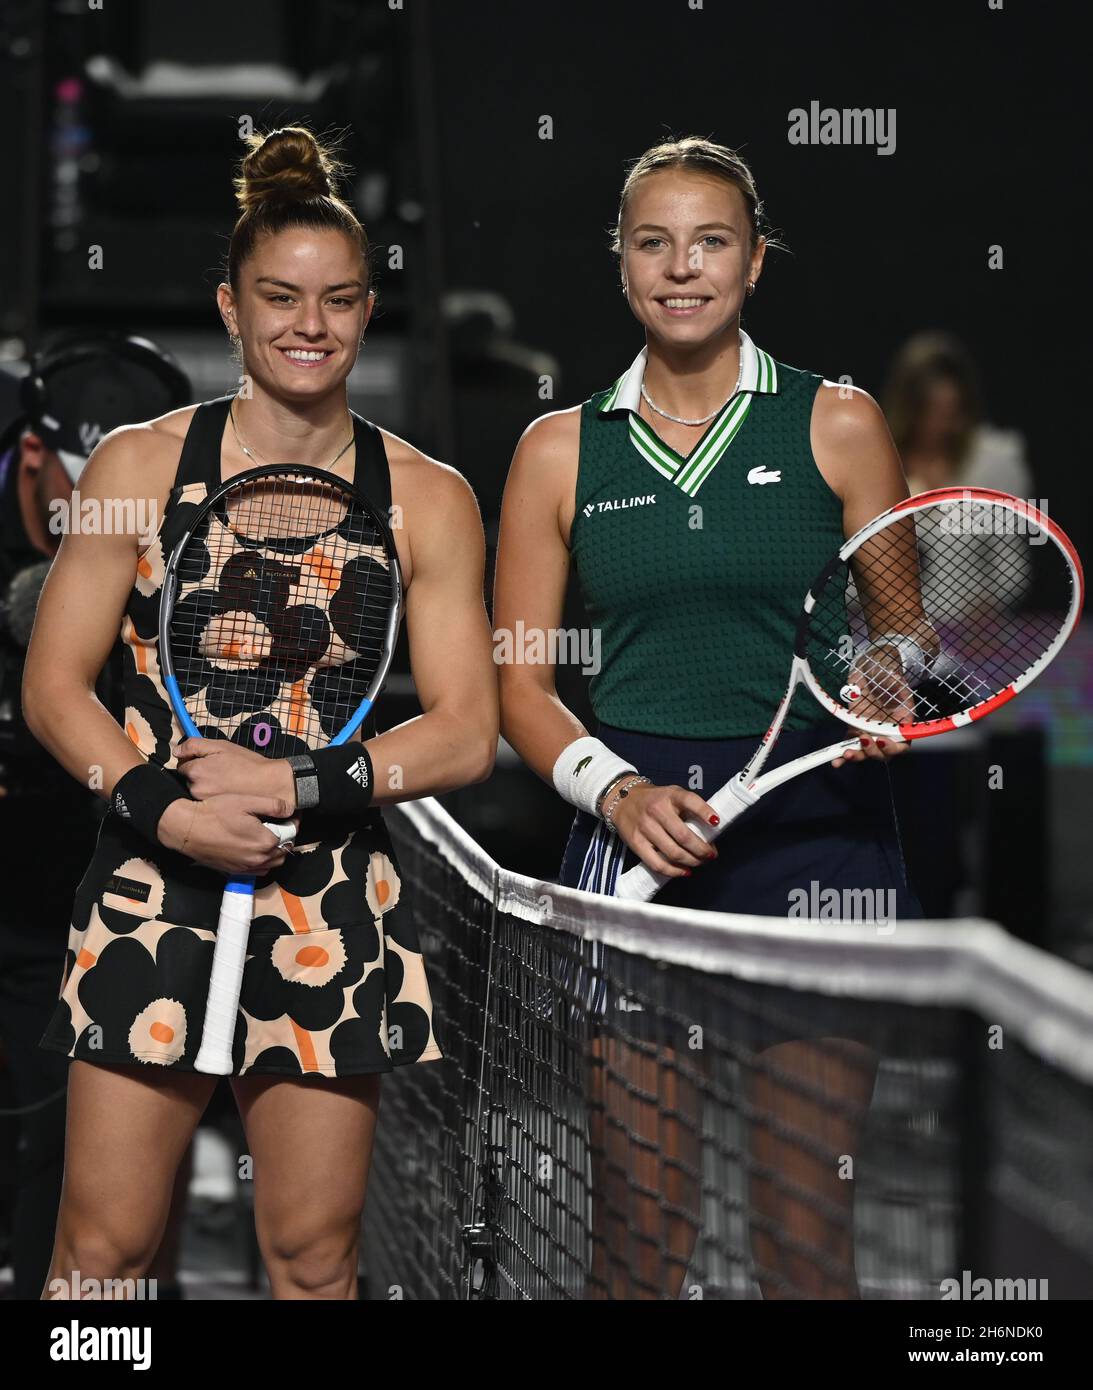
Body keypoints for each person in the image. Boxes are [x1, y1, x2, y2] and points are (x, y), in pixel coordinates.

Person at [24, 125, 497, 1300]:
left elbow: (463, 731)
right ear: (229, 307)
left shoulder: (429, 500)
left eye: (338, 300)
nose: (308, 324)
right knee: (100, 1262)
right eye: (278, 297)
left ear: (369, 309)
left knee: (311, 1262)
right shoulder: (135, 468)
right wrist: (165, 813)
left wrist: (291, 790)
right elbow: (53, 687)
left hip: (333, 903)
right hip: (150, 885)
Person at [494, 137, 920, 1299]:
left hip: (819, 847)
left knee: (801, 1243)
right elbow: (519, 686)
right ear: (622, 264)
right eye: (654, 242)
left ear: (754, 262)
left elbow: (901, 639)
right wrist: (617, 794)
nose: (682, 267)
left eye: (711, 241)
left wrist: (891, 682)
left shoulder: (838, 424)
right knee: (635, 1248)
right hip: (635, 854)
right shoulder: (555, 450)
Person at [0, 333, 192, 1299]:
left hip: (84, 889)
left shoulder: (162, 520)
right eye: (82, 494)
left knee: (87, 1201)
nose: (97, 525)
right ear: (34, 454)